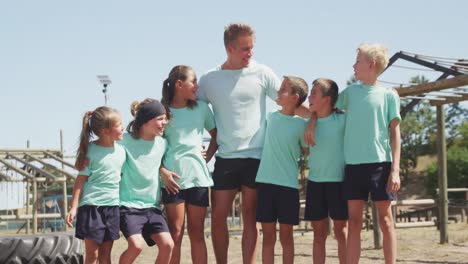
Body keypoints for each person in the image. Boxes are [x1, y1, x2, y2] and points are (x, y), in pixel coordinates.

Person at [197, 22, 307, 264]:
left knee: (250, 218)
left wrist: (318, 119)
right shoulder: (209, 79)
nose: (250, 53)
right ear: (229, 48)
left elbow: (291, 103)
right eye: (245, 49)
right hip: (226, 157)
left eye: (252, 48)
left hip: (257, 158)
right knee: (218, 217)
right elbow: (193, 110)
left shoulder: (262, 73)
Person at [306, 43, 401, 264]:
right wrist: (311, 123)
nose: (353, 66)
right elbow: (321, 108)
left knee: (386, 221)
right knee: (354, 222)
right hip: (353, 168)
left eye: (357, 61)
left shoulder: (389, 95)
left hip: (380, 165)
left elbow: (395, 132)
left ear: (371, 64)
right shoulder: (350, 93)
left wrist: (395, 170)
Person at [159, 65, 217, 264]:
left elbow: (216, 135)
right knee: (175, 233)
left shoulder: (201, 108)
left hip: (199, 179)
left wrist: (207, 155)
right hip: (172, 180)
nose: (197, 87)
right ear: (179, 84)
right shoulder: (162, 111)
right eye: (193, 81)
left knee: (197, 233)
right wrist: (162, 172)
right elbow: (150, 148)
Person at [255, 76, 308, 264]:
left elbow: (307, 148)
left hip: (288, 187)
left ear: (294, 97)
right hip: (266, 184)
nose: (278, 91)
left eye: (283, 89)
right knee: (268, 237)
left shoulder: (302, 125)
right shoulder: (269, 117)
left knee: (287, 237)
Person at [66, 106, 126, 264]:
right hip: (91, 208)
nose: (123, 127)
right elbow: (80, 181)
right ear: (106, 131)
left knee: (106, 255)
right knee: (93, 255)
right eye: (119, 125)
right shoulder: (90, 151)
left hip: (112, 208)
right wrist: (73, 207)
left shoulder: (122, 151)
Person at [118, 99, 174, 264]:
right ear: (145, 121)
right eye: (160, 119)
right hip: (128, 206)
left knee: (168, 245)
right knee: (136, 246)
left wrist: (162, 170)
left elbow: (159, 163)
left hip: (152, 207)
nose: (164, 123)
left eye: (165, 118)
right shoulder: (124, 140)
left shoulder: (163, 143)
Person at [304, 78, 347, 264]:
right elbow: (296, 109)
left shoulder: (343, 120)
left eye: (314, 93)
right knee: (318, 234)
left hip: (339, 182)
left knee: (341, 232)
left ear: (327, 99)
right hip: (315, 183)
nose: (309, 96)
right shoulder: (308, 119)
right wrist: (312, 118)